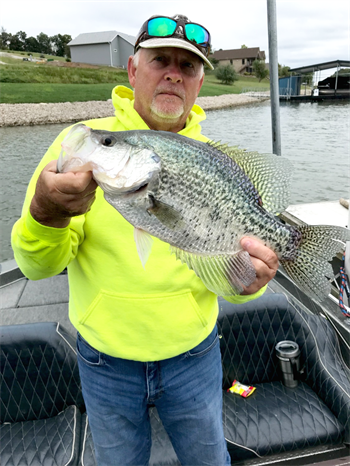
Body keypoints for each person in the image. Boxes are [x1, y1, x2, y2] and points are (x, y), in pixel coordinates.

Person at [11, 14, 279, 466]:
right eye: (160, 61)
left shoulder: (217, 160)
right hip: (104, 363)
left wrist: (253, 282)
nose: (174, 72)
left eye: (188, 67)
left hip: (195, 355)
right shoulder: (82, 146)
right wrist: (46, 212)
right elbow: (37, 268)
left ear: (197, 85)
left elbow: (235, 281)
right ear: (133, 70)